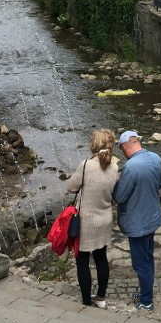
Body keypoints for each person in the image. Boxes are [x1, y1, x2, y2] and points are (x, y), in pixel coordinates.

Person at [65, 128, 119, 309]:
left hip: (87, 221)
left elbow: (71, 188)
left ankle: (87, 302)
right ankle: (101, 297)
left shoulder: (86, 165)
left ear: (94, 144)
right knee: (101, 258)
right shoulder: (115, 167)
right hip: (105, 218)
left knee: (82, 261)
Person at [112, 130, 161, 311]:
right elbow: (159, 184)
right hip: (152, 217)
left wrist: (116, 181)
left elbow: (119, 196)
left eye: (121, 149)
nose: (122, 153)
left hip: (137, 223)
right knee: (148, 258)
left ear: (125, 146)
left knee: (141, 263)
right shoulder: (156, 158)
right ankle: (145, 293)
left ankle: (146, 302)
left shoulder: (131, 166)